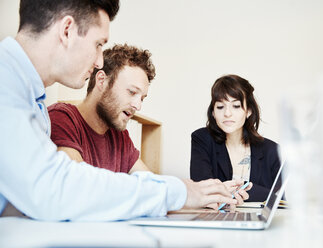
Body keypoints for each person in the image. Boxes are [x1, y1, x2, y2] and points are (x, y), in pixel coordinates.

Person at [0, 0, 241, 221]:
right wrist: (176, 192)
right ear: (67, 31)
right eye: (98, 45)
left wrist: (202, 194)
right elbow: (57, 189)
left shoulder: (29, 96)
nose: (98, 61)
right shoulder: (6, 83)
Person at [48, 44, 154, 174]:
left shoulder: (120, 137)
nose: (138, 106)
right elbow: (79, 183)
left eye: (142, 98)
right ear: (101, 80)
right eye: (132, 92)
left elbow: (151, 185)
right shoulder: (62, 118)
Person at [190, 74, 281, 202]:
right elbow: (201, 190)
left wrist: (244, 189)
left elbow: (283, 197)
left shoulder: (272, 150)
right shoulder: (201, 139)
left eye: (236, 106)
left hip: (257, 219)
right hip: (217, 219)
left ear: (248, 110)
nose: (227, 113)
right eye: (220, 107)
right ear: (213, 112)